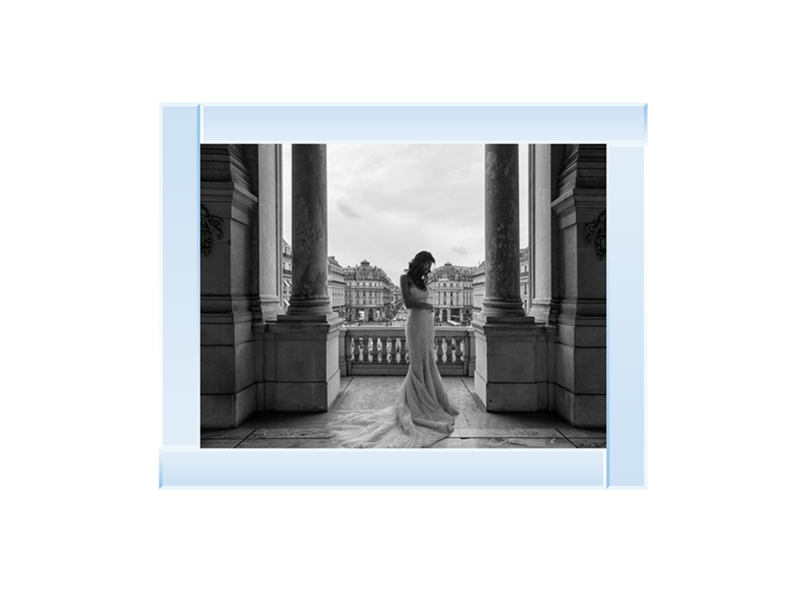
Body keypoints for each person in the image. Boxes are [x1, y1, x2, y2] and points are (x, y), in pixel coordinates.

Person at [329, 251, 460, 447]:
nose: (427, 269)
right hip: (416, 321)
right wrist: (428, 306)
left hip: (427, 322)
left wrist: (428, 308)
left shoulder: (423, 281)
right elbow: (407, 303)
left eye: (429, 267)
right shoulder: (404, 278)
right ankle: (414, 403)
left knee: (428, 359)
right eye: (426, 265)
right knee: (417, 361)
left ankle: (431, 398)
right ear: (419, 262)